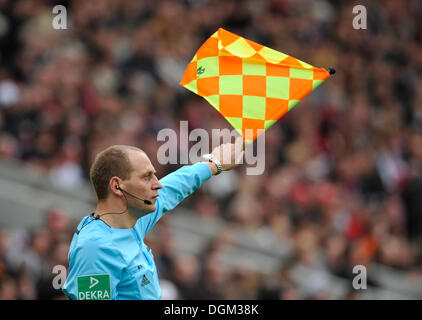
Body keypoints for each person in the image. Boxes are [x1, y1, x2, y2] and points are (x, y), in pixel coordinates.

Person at [62, 140, 244, 300]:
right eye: (146, 177)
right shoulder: (95, 248)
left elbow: (170, 190)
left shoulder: (131, 221)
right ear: (117, 186)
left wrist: (213, 165)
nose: (157, 183)